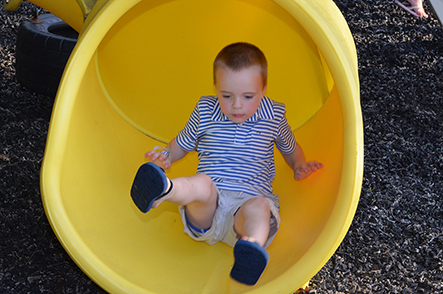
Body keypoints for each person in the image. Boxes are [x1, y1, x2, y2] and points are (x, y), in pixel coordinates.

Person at [130, 42, 323, 286]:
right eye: (227, 96)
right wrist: (167, 155)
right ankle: (164, 190)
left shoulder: (274, 116)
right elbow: (181, 143)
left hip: (244, 212)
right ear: (216, 88)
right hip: (207, 210)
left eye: (248, 96)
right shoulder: (205, 110)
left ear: (263, 89)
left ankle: (250, 249)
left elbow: (290, 148)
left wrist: (299, 166)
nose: (237, 105)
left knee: (260, 206)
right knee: (202, 183)